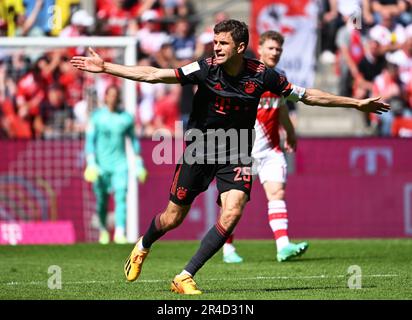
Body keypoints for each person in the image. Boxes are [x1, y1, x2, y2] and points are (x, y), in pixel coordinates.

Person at [71, 19, 389, 295]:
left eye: (223, 43)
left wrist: (356, 104)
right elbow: (155, 75)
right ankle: (143, 245)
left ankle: (184, 276)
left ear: (240, 47)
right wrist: (107, 68)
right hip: (199, 148)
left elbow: (308, 96)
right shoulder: (205, 68)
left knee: (233, 211)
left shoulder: (264, 76)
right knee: (173, 218)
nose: (217, 47)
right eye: (215, 41)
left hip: (236, 149)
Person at [222, 31, 308, 264]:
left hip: (270, 149)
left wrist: (289, 132)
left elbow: (280, 107)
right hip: (242, 150)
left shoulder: (280, 76)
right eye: (270, 48)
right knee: (233, 204)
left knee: (277, 193)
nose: (275, 53)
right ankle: (227, 249)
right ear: (259, 49)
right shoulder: (244, 74)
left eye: (278, 49)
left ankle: (283, 246)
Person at [83, 85, 147, 245]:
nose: (112, 98)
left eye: (115, 95)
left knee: (121, 197)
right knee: (102, 201)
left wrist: (138, 163)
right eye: (109, 95)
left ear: (118, 97)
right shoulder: (96, 117)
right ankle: (104, 230)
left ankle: (119, 232)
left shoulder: (126, 118)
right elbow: (90, 141)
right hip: (101, 165)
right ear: (105, 97)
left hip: (120, 164)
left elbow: (133, 141)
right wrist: (91, 163)